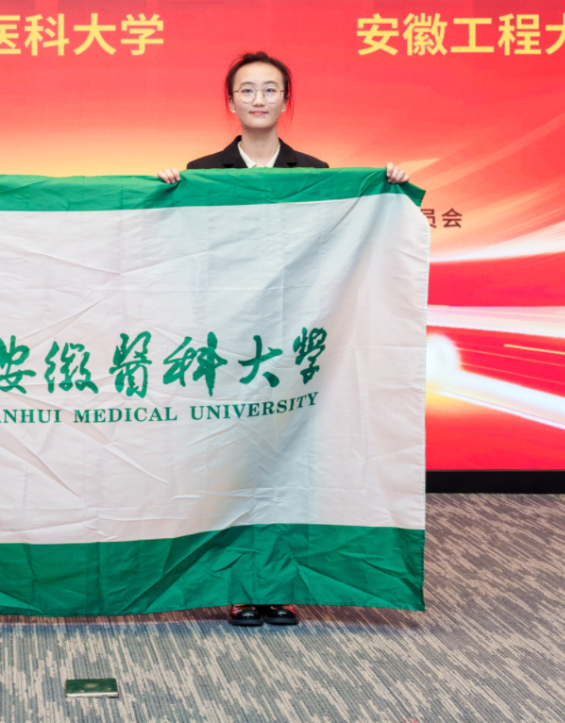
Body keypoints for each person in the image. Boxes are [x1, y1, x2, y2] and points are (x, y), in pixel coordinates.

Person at [159, 50, 410, 628]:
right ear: (230, 102)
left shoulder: (314, 172)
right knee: (232, 462)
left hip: (292, 343)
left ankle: (279, 583)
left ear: (286, 100)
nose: (259, 99)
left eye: (270, 89)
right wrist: (168, 193)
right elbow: (182, 255)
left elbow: (337, 244)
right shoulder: (203, 172)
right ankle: (238, 584)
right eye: (247, 90)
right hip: (227, 343)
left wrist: (386, 188)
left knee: (289, 463)